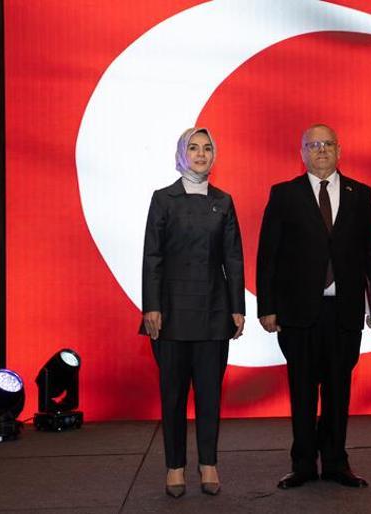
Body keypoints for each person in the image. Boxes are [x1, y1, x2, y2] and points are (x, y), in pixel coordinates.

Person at [256, 124, 371, 489]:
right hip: (298, 312)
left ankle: (335, 463)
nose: (321, 150)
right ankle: (302, 464)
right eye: (313, 145)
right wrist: (267, 306)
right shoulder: (284, 194)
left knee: (338, 389)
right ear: (302, 153)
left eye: (328, 143)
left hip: (344, 311)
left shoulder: (361, 194)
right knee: (301, 390)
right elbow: (268, 255)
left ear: (339, 150)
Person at [140, 127, 245, 499]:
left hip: (214, 311)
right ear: (182, 154)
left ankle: (208, 463)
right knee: (172, 395)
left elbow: (233, 258)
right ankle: (174, 466)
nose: (201, 154)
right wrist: (151, 306)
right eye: (194, 148)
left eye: (207, 148)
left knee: (209, 393)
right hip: (170, 313)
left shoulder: (224, 201)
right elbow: (152, 256)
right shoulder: (163, 199)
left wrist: (237, 308)